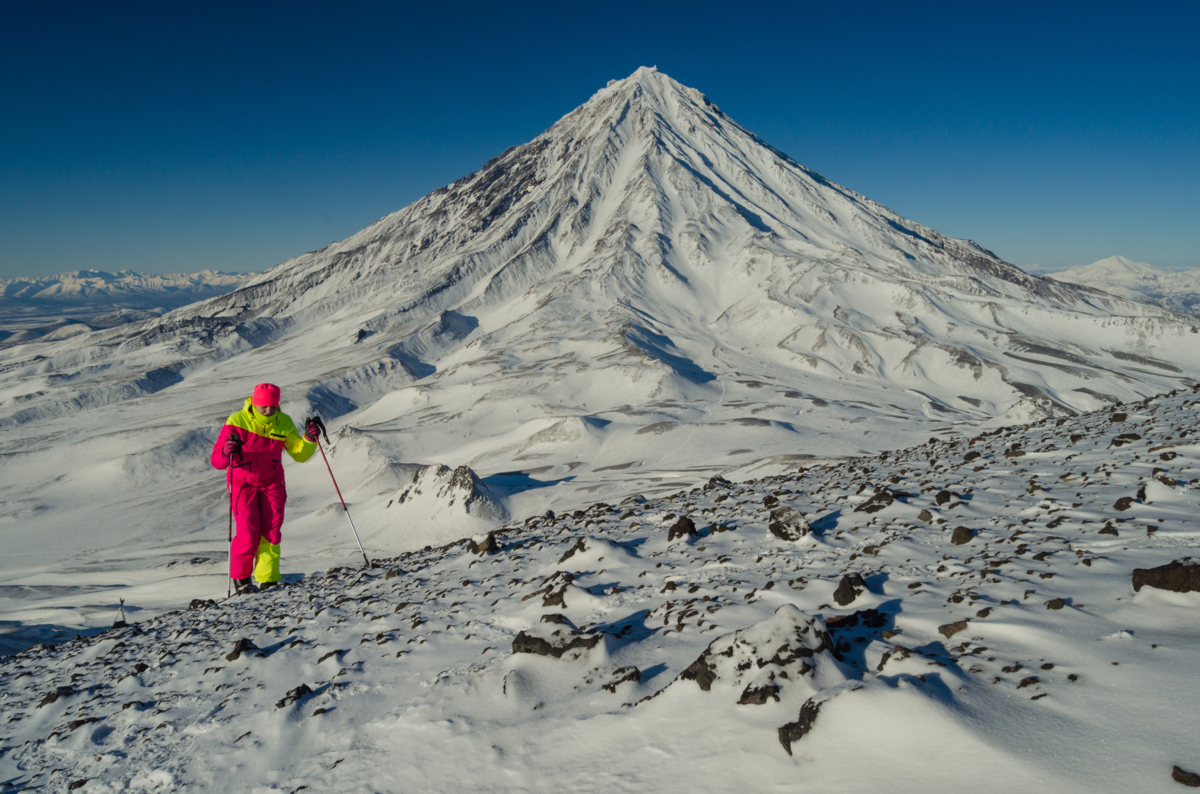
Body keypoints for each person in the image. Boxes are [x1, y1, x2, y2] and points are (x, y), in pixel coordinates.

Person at [211, 383, 322, 594]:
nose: (268, 411)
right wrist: (226, 451)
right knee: (248, 532)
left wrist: (309, 438)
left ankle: (268, 579)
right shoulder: (236, 421)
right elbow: (217, 461)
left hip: (273, 483)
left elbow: (300, 454)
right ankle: (242, 580)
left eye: (272, 406)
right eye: (263, 406)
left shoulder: (284, 422)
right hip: (242, 483)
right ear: (254, 402)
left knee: (271, 531)